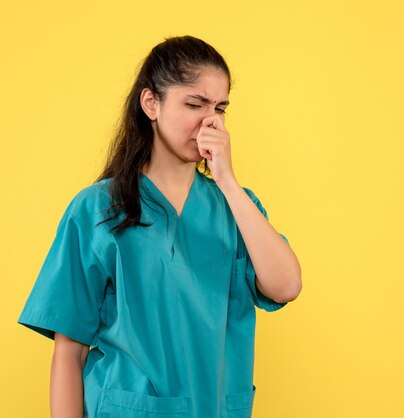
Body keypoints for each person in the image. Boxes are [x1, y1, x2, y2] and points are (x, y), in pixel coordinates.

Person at [17, 35, 302, 418]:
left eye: (220, 108)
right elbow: (69, 352)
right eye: (194, 104)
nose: (210, 121)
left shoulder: (236, 208)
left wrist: (229, 183)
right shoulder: (97, 208)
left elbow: (286, 286)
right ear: (151, 103)